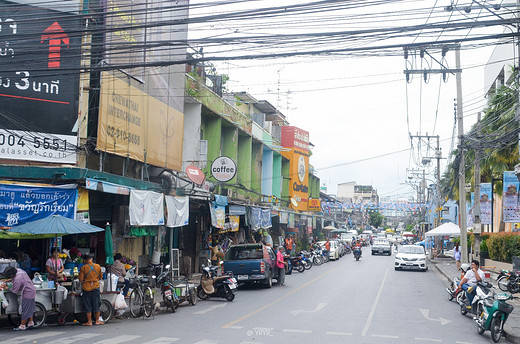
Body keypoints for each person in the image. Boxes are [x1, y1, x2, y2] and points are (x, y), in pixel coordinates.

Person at [3, 266, 35, 331]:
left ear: (12, 274)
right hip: (31, 289)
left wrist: (7, 288)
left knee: (25, 309)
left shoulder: (18, 278)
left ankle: (22, 326)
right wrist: (7, 280)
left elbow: (14, 290)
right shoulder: (19, 270)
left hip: (27, 292)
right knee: (29, 308)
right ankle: (30, 323)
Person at [78, 254, 104, 326]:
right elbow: (100, 277)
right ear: (91, 259)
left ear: (85, 260)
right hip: (95, 287)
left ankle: (89, 322)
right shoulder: (98, 266)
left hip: (86, 288)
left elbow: (81, 279)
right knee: (96, 304)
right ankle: (97, 321)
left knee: (88, 304)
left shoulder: (83, 268)